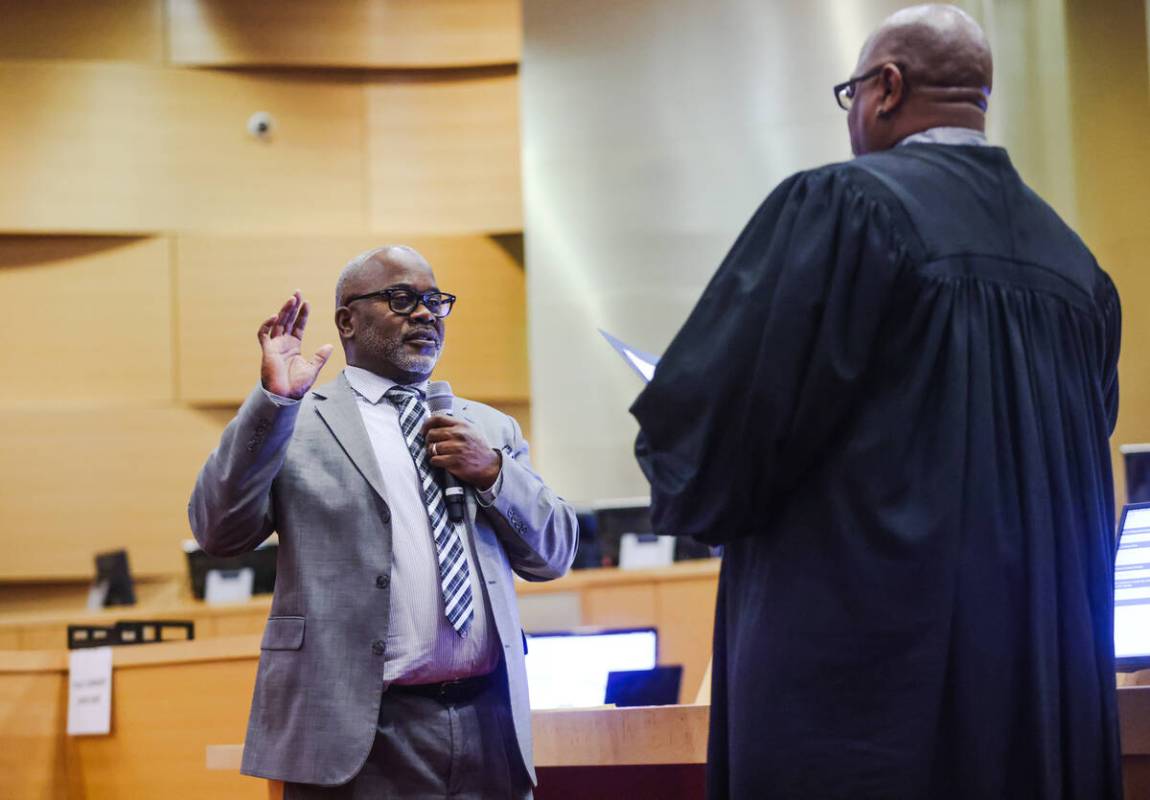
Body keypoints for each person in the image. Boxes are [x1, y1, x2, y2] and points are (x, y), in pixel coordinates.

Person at [631, 5, 1122, 799]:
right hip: (1038, 701)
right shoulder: (1076, 270)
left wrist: (684, 458)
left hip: (871, 702)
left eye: (849, 93)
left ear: (885, 88)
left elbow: (720, 431)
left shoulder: (842, 209)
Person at [190, 245, 578, 798]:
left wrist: (492, 472)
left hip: (488, 724)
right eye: (401, 300)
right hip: (360, 735)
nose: (425, 314)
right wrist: (273, 403)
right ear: (347, 320)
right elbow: (218, 531)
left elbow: (555, 555)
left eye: (435, 302)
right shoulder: (296, 425)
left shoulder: (487, 428)